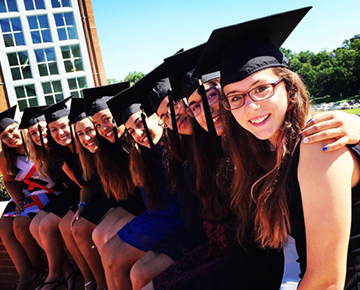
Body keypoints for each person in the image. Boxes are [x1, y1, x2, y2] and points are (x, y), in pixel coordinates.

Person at [194, 6, 360, 290]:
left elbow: (327, 282)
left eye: (261, 89)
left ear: (290, 89)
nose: (250, 106)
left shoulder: (318, 142)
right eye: (235, 97)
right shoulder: (262, 156)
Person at [101, 85, 183, 290]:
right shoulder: (146, 154)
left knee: (122, 263)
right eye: (131, 131)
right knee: (108, 250)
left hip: (179, 222)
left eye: (140, 123)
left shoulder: (179, 146)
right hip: (158, 215)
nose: (138, 134)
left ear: (158, 117)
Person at [19, 106, 76, 290]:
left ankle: (54, 275)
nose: (37, 135)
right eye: (33, 133)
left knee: (43, 226)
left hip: (77, 194)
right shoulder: (44, 152)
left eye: (41, 130)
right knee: (35, 226)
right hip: (67, 194)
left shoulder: (60, 148)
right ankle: (65, 269)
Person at [0, 106, 56, 290]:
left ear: (19, 126)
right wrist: (18, 201)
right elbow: (9, 181)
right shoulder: (5, 156)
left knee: (20, 224)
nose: (10, 137)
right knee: (3, 226)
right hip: (24, 194)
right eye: (4, 137)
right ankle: (26, 273)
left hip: (49, 191)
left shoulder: (37, 143)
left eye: (11, 131)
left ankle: (39, 268)